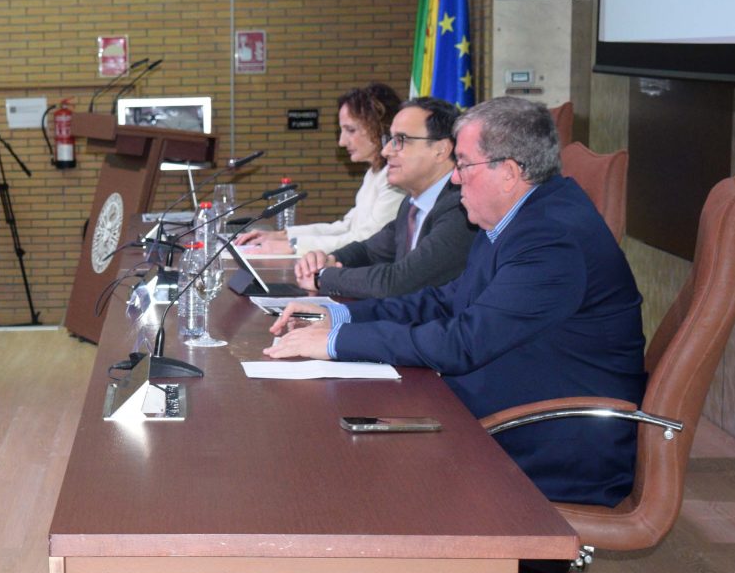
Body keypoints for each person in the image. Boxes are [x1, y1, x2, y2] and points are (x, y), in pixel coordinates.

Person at [265, 97, 646, 507]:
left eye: (463, 164)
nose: (454, 179)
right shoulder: (516, 217)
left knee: (346, 458)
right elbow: (446, 301)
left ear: (508, 173)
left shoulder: (551, 240)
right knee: (339, 420)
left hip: (549, 441)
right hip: (505, 403)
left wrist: (335, 342)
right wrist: (339, 314)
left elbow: (462, 343)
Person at [290, 97, 477, 300]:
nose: (385, 151)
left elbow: (399, 282)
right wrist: (327, 260)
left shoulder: (461, 207)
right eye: (389, 140)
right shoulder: (412, 204)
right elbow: (369, 251)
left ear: (441, 150)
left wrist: (324, 277)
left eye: (400, 140)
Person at [236, 83, 404, 256]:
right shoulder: (374, 173)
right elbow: (345, 227)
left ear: (381, 127)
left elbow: (366, 240)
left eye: (351, 130)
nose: (342, 142)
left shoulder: (395, 179)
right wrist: (282, 236)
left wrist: (293, 246)